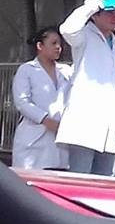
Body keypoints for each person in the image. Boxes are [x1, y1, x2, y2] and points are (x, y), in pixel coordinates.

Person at [56, 0, 115, 176]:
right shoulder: (84, 36)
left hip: (110, 125)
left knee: (105, 183)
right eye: (110, 11)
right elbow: (67, 29)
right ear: (95, 14)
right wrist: (93, 4)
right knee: (80, 179)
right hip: (85, 121)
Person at [12, 27, 71, 170]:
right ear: (40, 46)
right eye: (54, 43)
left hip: (59, 137)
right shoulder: (26, 69)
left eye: (60, 44)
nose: (58, 47)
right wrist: (44, 119)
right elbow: (22, 102)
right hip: (33, 137)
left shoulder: (66, 71)